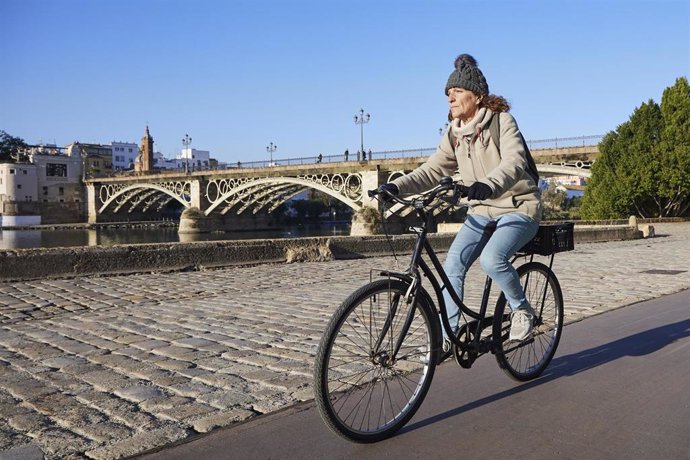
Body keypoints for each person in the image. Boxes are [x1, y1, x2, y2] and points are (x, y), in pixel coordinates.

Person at [378, 54, 542, 353]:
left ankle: (522, 311)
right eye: (448, 94)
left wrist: (489, 185)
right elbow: (432, 170)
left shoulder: (501, 121)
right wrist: (394, 186)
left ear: (478, 96)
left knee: (492, 260)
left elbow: (514, 161)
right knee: (453, 263)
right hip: (481, 212)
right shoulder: (454, 132)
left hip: (518, 207)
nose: (450, 98)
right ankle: (447, 337)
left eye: (457, 92)